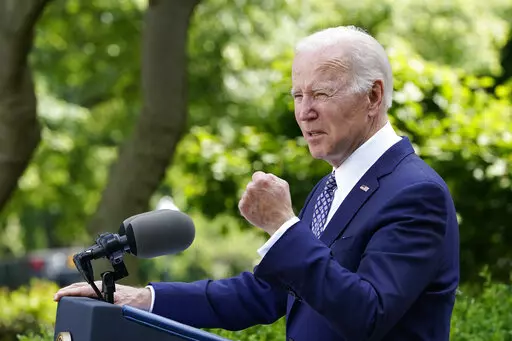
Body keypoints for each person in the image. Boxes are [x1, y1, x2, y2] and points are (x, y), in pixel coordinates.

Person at [54, 26, 459, 341]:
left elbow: (367, 314)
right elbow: (266, 294)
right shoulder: (332, 188)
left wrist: (283, 228)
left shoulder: (414, 193)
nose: (305, 112)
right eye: (297, 95)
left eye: (320, 93)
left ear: (373, 96)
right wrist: (143, 299)